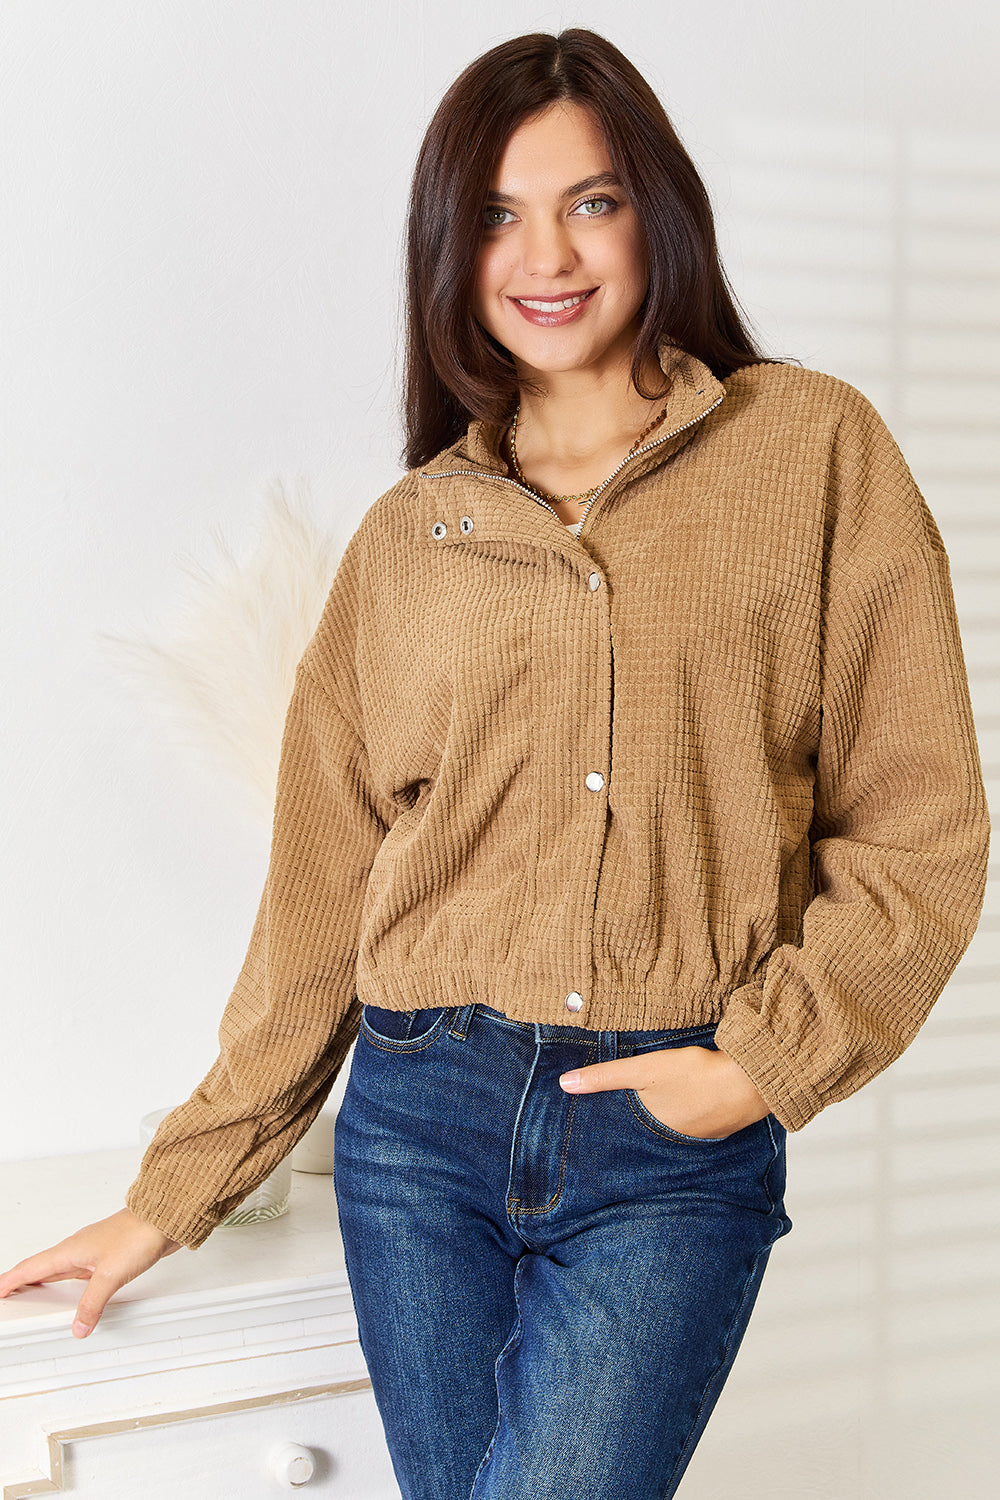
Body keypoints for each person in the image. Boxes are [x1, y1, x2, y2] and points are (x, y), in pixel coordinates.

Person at [0, 28, 990, 1500]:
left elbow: (920, 825)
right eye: (497, 217)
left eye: (591, 202)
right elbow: (321, 901)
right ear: (447, 254)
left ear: (659, 209)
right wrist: (174, 1196)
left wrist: (759, 1066)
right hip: (420, 1132)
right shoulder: (417, 534)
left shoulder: (814, 452)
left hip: (667, 1143)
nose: (550, 253)